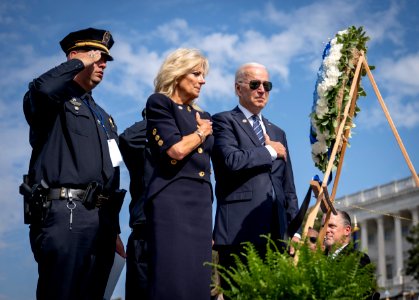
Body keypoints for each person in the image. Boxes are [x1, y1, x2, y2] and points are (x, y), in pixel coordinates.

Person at [22, 27, 126, 300]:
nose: (102, 63)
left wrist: (113, 230)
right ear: (74, 57)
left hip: (101, 222)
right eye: (96, 56)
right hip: (66, 213)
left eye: (105, 59)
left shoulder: (104, 116)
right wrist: (81, 62)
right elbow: (43, 89)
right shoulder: (53, 101)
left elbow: (112, 173)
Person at [212, 62, 299, 278]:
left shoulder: (278, 132)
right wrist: (269, 151)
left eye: (266, 85)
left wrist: (295, 230)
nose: (262, 90)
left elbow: (287, 187)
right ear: (238, 88)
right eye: (255, 84)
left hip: (277, 235)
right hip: (239, 232)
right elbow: (231, 160)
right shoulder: (223, 121)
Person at [145, 48, 213, 299]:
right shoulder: (159, 103)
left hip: (201, 205)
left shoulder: (202, 115)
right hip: (172, 201)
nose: (202, 80)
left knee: (198, 279)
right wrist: (201, 134)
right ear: (177, 74)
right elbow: (175, 150)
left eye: (203, 75)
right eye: (196, 73)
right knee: (172, 277)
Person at [119, 108, 153, 299]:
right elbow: (127, 138)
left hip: (181, 232)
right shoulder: (142, 146)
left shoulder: (184, 140)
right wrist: (158, 111)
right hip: (145, 232)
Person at [324, 210, 380, 299]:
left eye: (331, 226)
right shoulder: (317, 260)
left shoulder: (358, 259)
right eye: (324, 226)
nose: (326, 230)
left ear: (347, 230)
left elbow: (365, 295)